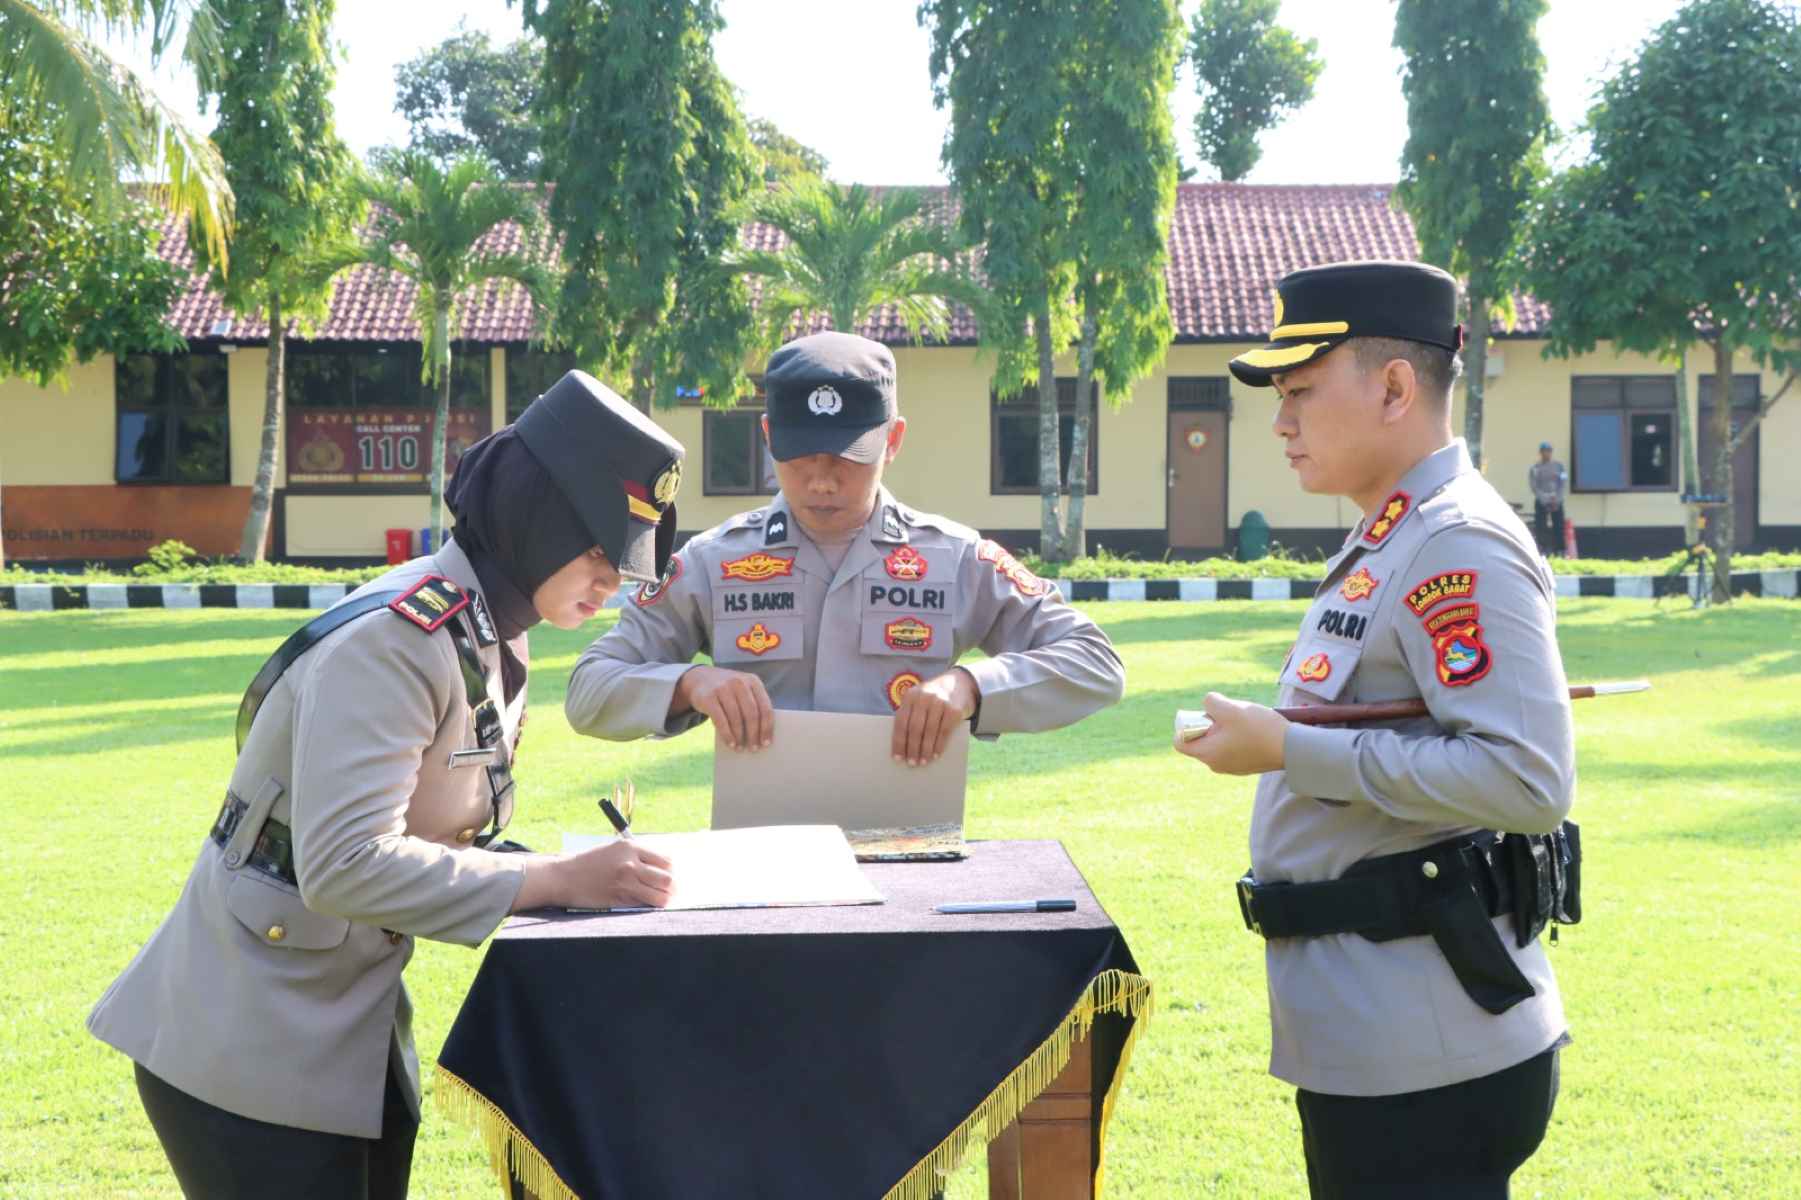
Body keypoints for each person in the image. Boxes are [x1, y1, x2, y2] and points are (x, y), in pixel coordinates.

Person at [88, 372, 685, 1199]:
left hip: (343, 1029)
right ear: (536, 518)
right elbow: (344, 864)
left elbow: (431, 827)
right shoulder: (399, 640)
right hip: (250, 1052)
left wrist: (564, 874)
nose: (612, 582)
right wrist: (551, 879)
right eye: (596, 550)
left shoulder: (488, 630)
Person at [1175, 261, 1575, 1199]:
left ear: (1395, 386)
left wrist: (1286, 749)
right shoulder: (1393, 533)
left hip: (1427, 1048)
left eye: (1301, 391)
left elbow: (1526, 780)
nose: (1279, 422)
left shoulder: (1452, 540)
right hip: (1384, 1025)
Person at [566, 329, 1125, 769]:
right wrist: (690, 683)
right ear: (767, 438)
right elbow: (588, 690)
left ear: (894, 440)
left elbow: (1096, 664)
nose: (821, 482)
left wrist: (972, 685)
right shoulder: (714, 563)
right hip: (762, 858)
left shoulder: (954, 559)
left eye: (846, 458)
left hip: (911, 846)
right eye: (799, 458)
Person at [1529, 441, 1568, 556]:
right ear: (1540, 453)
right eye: (1544, 451)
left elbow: (1563, 482)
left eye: (1549, 451)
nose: (1547, 453)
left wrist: (1557, 498)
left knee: (1559, 525)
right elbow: (1534, 485)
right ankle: (1544, 549)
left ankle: (1560, 550)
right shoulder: (1535, 468)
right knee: (1541, 526)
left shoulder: (1559, 467)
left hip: (1557, 500)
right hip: (1542, 501)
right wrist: (1545, 498)